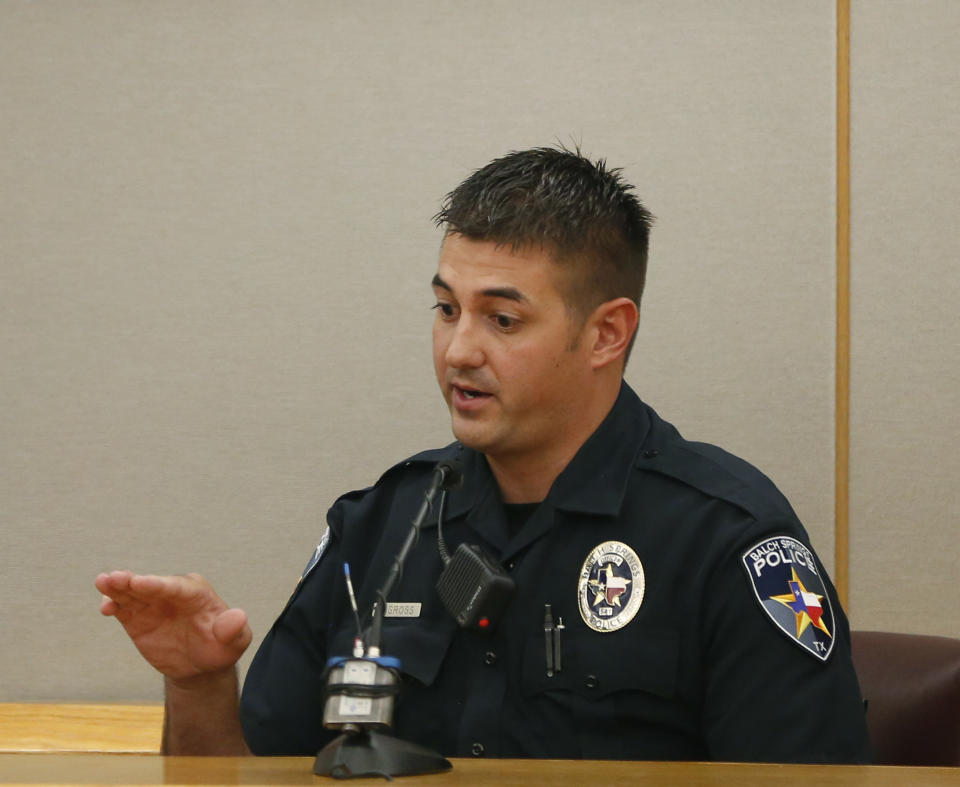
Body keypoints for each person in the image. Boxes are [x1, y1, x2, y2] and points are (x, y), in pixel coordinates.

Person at [96, 146, 871, 762]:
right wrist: (198, 682)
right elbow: (247, 770)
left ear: (607, 332)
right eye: (445, 309)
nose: (458, 349)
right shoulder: (378, 528)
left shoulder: (727, 540)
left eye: (502, 319)